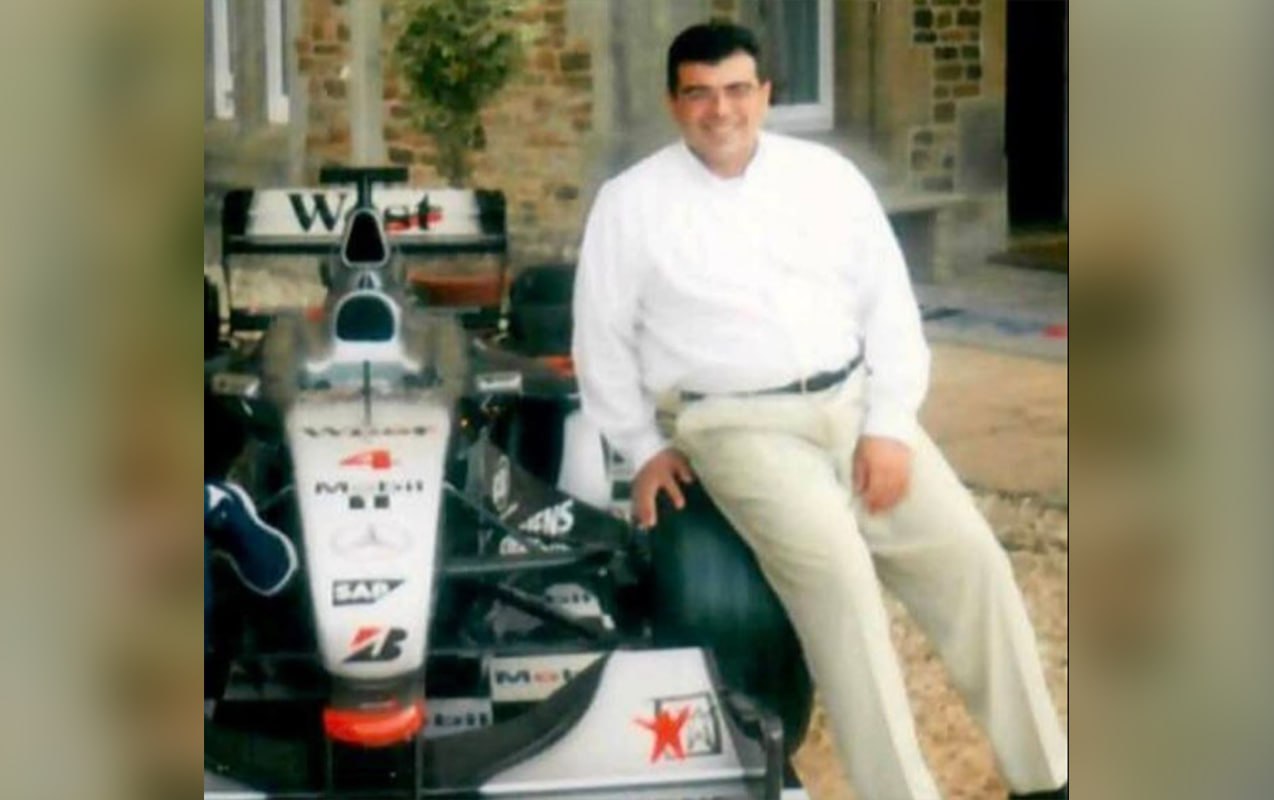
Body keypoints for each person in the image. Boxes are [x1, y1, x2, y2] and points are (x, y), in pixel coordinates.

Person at [571, 21, 1067, 800]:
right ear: (674, 103)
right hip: (736, 426)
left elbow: (892, 311)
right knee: (841, 586)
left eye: (737, 90)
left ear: (766, 93)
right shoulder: (630, 204)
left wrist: (890, 427)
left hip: (855, 403)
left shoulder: (828, 179)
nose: (720, 110)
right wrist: (641, 448)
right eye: (699, 94)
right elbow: (600, 340)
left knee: (975, 563)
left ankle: (1047, 781)